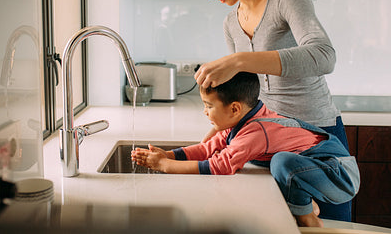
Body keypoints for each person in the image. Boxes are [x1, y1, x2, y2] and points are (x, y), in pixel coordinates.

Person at [182, 0, 352, 221]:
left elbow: (324, 55)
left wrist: (239, 60)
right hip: (268, 146)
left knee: (332, 227)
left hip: (315, 139)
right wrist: (205, 147)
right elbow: (244, 101)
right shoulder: (231, 24)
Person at [131, 72, 360, 227]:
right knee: (282, 165)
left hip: (338, 173)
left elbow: (221, 166)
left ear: (234, 108)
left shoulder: (256, 132)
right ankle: (306, 202)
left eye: (208, 106)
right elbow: (209, 148)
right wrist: (169, 155)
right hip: (316, 168)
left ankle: (311, 220)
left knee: (282, 163)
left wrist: (165, 166)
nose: (205, 112)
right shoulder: (242, 121)